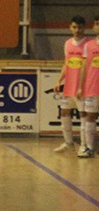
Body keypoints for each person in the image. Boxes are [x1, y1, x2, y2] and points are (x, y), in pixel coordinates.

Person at [53, 15, 88, 154]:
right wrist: (59, 80)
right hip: (69, 85)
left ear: (84, 28)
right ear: (70, 28)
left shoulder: (89, 44)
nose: (77, 30)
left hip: (83, 87)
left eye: (80, 27)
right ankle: (68, 142)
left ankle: (84, 145)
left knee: (83, 115)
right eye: (74, 27)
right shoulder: (68, 43)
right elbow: (67, 64)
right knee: (64, 112)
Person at [77, 15, 99, 158]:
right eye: (97, 23)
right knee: (88, 117)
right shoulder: (88, 45)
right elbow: (84, 67)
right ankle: (88, 147)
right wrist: (80, 86)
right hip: (91, 87)